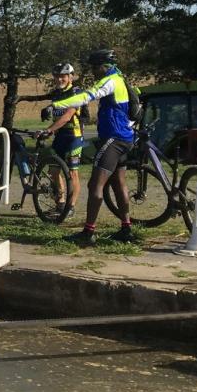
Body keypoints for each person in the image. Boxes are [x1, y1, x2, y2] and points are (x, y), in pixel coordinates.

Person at [49, 49, 137, 245]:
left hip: (113, 139)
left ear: (103, 66)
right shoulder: (119, 79)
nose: (93, 72)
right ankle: (126, 228)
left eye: (94, 68)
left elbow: (87, 96)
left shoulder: (110, 81)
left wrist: (55, 105)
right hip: (124, 137)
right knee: (118, 183)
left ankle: (88, 233)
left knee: (95, 185)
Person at [17, 62, 91, 217]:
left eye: (63, 76)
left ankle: (70, 207)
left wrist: (49, 129)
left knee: (72, 173)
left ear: (71, 77)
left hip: (74, 137)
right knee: (53, 171)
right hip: (60, 137)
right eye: (56, 76)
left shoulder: (76, 92)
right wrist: (47, 132)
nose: (59, 79)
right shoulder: (57, 94)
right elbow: (58, 119)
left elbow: (67, 116)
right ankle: (61, 204)